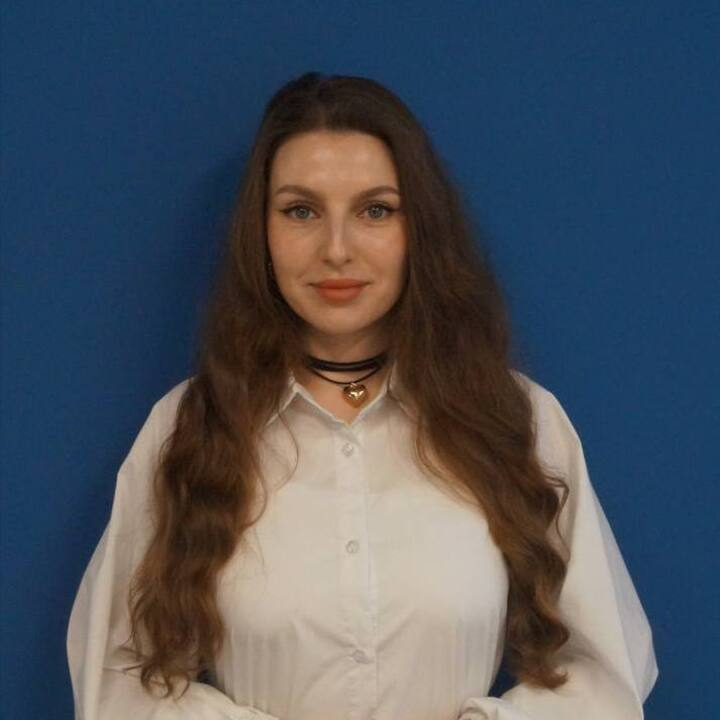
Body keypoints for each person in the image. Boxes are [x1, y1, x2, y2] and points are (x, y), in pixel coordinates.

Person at [66, 72, 659, 720]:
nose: (337, 250)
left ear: (419, 228)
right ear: (260, 232)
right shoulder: (190, 427)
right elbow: (115, 681)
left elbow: (609, 676)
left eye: (375, 210)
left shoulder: (515, 420)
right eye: (301, 211)